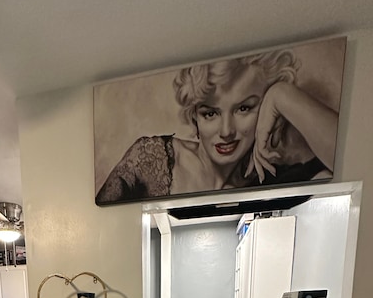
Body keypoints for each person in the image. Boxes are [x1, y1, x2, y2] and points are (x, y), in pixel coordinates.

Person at [95, 49, 339, 205]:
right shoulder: (151, 158)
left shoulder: (276, 178)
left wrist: (282, 96)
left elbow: (351, 169)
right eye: (210, 113)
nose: (226, 131)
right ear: (195, 119)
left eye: (244, 109)